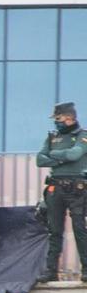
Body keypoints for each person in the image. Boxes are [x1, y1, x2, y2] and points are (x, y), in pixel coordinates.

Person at [38, 101, 87, 283]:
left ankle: (86, 269)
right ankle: (51, 270)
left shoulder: (83, 136)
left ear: (69, 117)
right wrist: (62, 158)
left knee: (79, 228)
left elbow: (75, 154)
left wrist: (54, 155)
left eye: (58, 118)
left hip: (77, 189)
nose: (56, 122)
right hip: (55, 188)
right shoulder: (52, 137)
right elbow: (39, 159)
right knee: (54, 230)